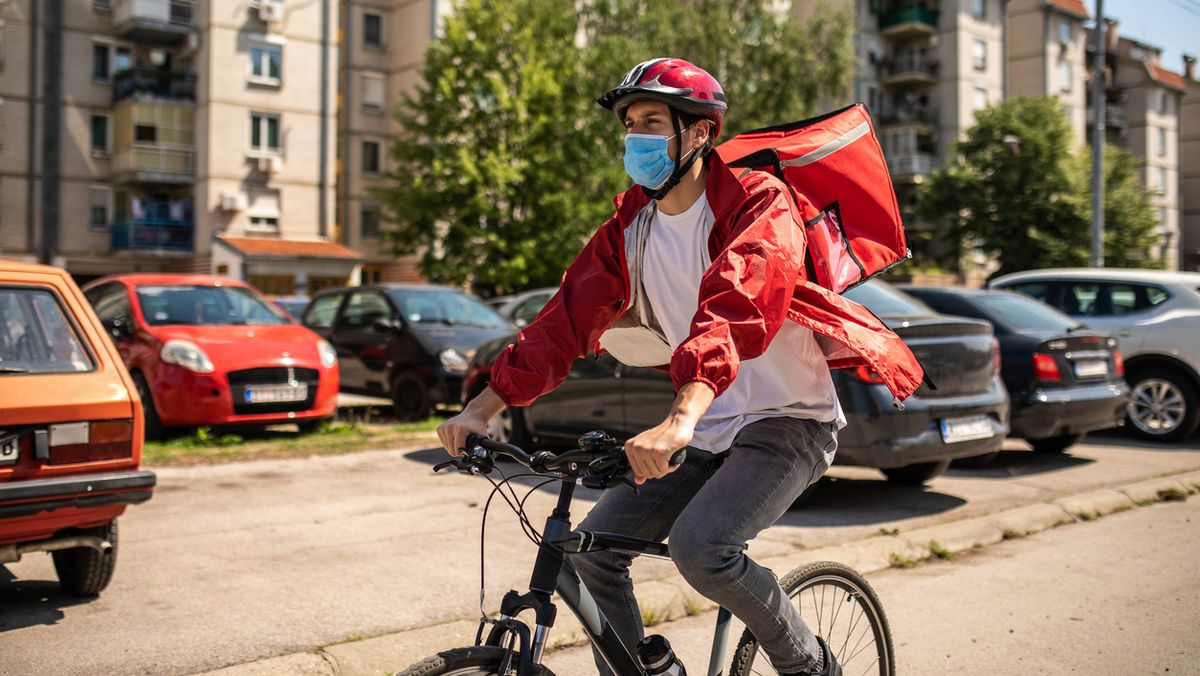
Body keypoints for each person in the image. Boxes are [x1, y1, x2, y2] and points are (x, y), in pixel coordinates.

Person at [438, 57, 921, 676]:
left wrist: (680, 416)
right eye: (629, 124)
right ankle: (651, 669)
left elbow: (733, 306)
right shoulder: (629, 227)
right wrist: (483, 408)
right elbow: (562, 321)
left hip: (788, 419)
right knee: (590, 553)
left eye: (651, 121)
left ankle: (808, 662)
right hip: (705, 426)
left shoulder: (758, 204)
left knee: (703, 548)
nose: (635, 137)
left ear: (699, 133)